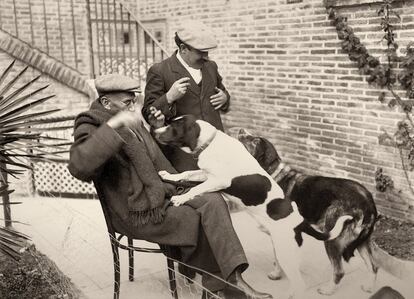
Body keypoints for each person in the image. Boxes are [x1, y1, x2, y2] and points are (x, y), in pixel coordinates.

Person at [68, 74, 272, 299]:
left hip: (160, 191)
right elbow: (79, 166)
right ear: (106, 103)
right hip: (136, 211)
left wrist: (156, 128)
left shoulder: (126, 117)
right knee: (194, 219)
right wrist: (115, 125)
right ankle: (220, 289)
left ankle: (232, 280)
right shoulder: (90, 122)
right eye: (127, 102)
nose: (134, 107)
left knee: (213, 200)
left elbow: (152, 160)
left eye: (134, 100)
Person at [143, 20, 230, 171]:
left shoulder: (211, 67)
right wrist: (169, 97)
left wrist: (225, 98)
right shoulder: (160, 71)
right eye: (201, 52)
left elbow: (222, 93)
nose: (206, 57)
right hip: (184, 155)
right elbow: (148, 113)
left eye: (207, 52)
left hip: (216, 148)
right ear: (183, 48)